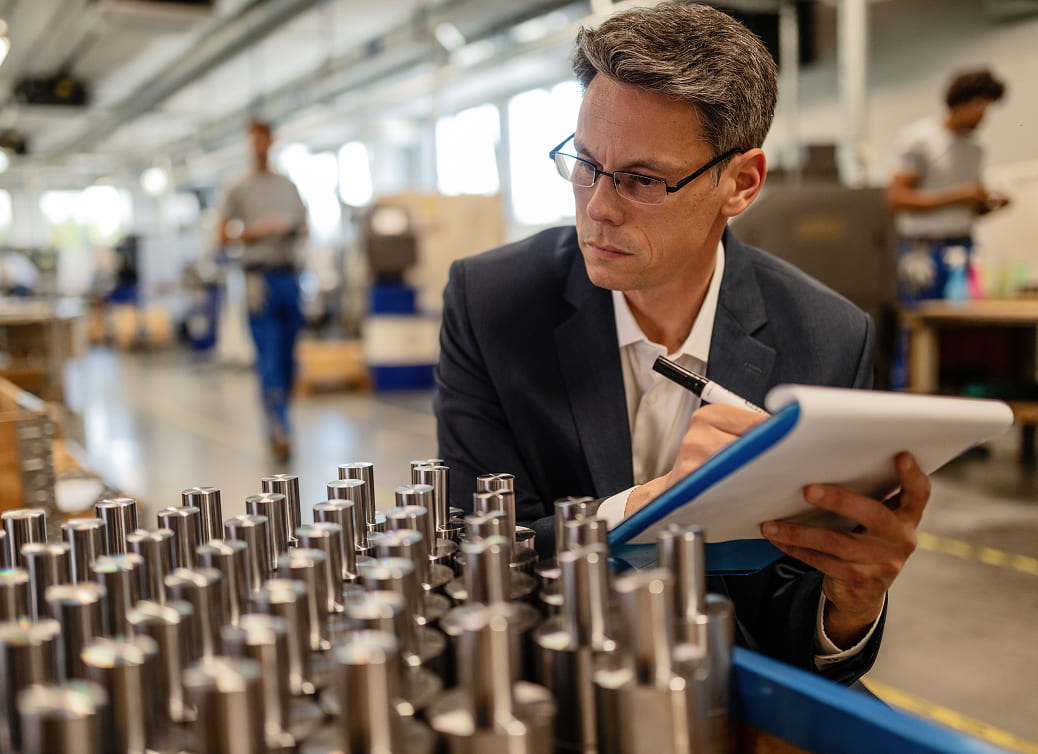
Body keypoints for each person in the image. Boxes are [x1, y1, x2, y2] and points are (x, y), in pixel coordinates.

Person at [434, 2, 931, 685]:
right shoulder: (492, 305)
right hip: (546, 683)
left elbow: (792, 614)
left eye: (642, 179)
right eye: (584, 162)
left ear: (741, 183)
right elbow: (477, 554)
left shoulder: (827, 339)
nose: (598, 207)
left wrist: (852, 603)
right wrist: (652, 506)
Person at [219, 120, 308, 461]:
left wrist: (290, 228)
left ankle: (280, 411)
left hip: (290, 278)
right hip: (260, 281)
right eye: (252, 139)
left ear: (272, 140)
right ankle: (279, 428)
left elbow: (304, 225)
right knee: (269, 356)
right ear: (248, 142)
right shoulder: (237, 189)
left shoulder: (287, 186)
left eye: (264, 139)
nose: (259, 145)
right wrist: (259, 230)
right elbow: (222, 236)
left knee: (288, 360)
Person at [887, 69, 1009, 303]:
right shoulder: (919, 139)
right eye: (978, 105)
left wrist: (987, 204)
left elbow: (964, 207)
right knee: (921, 322)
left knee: (963, 326)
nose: (983, 116)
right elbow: (896, 198)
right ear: (959, 102)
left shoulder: (975, 149)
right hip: (923, 248)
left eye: (988, 108)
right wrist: (958, 196)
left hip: (962, 246)